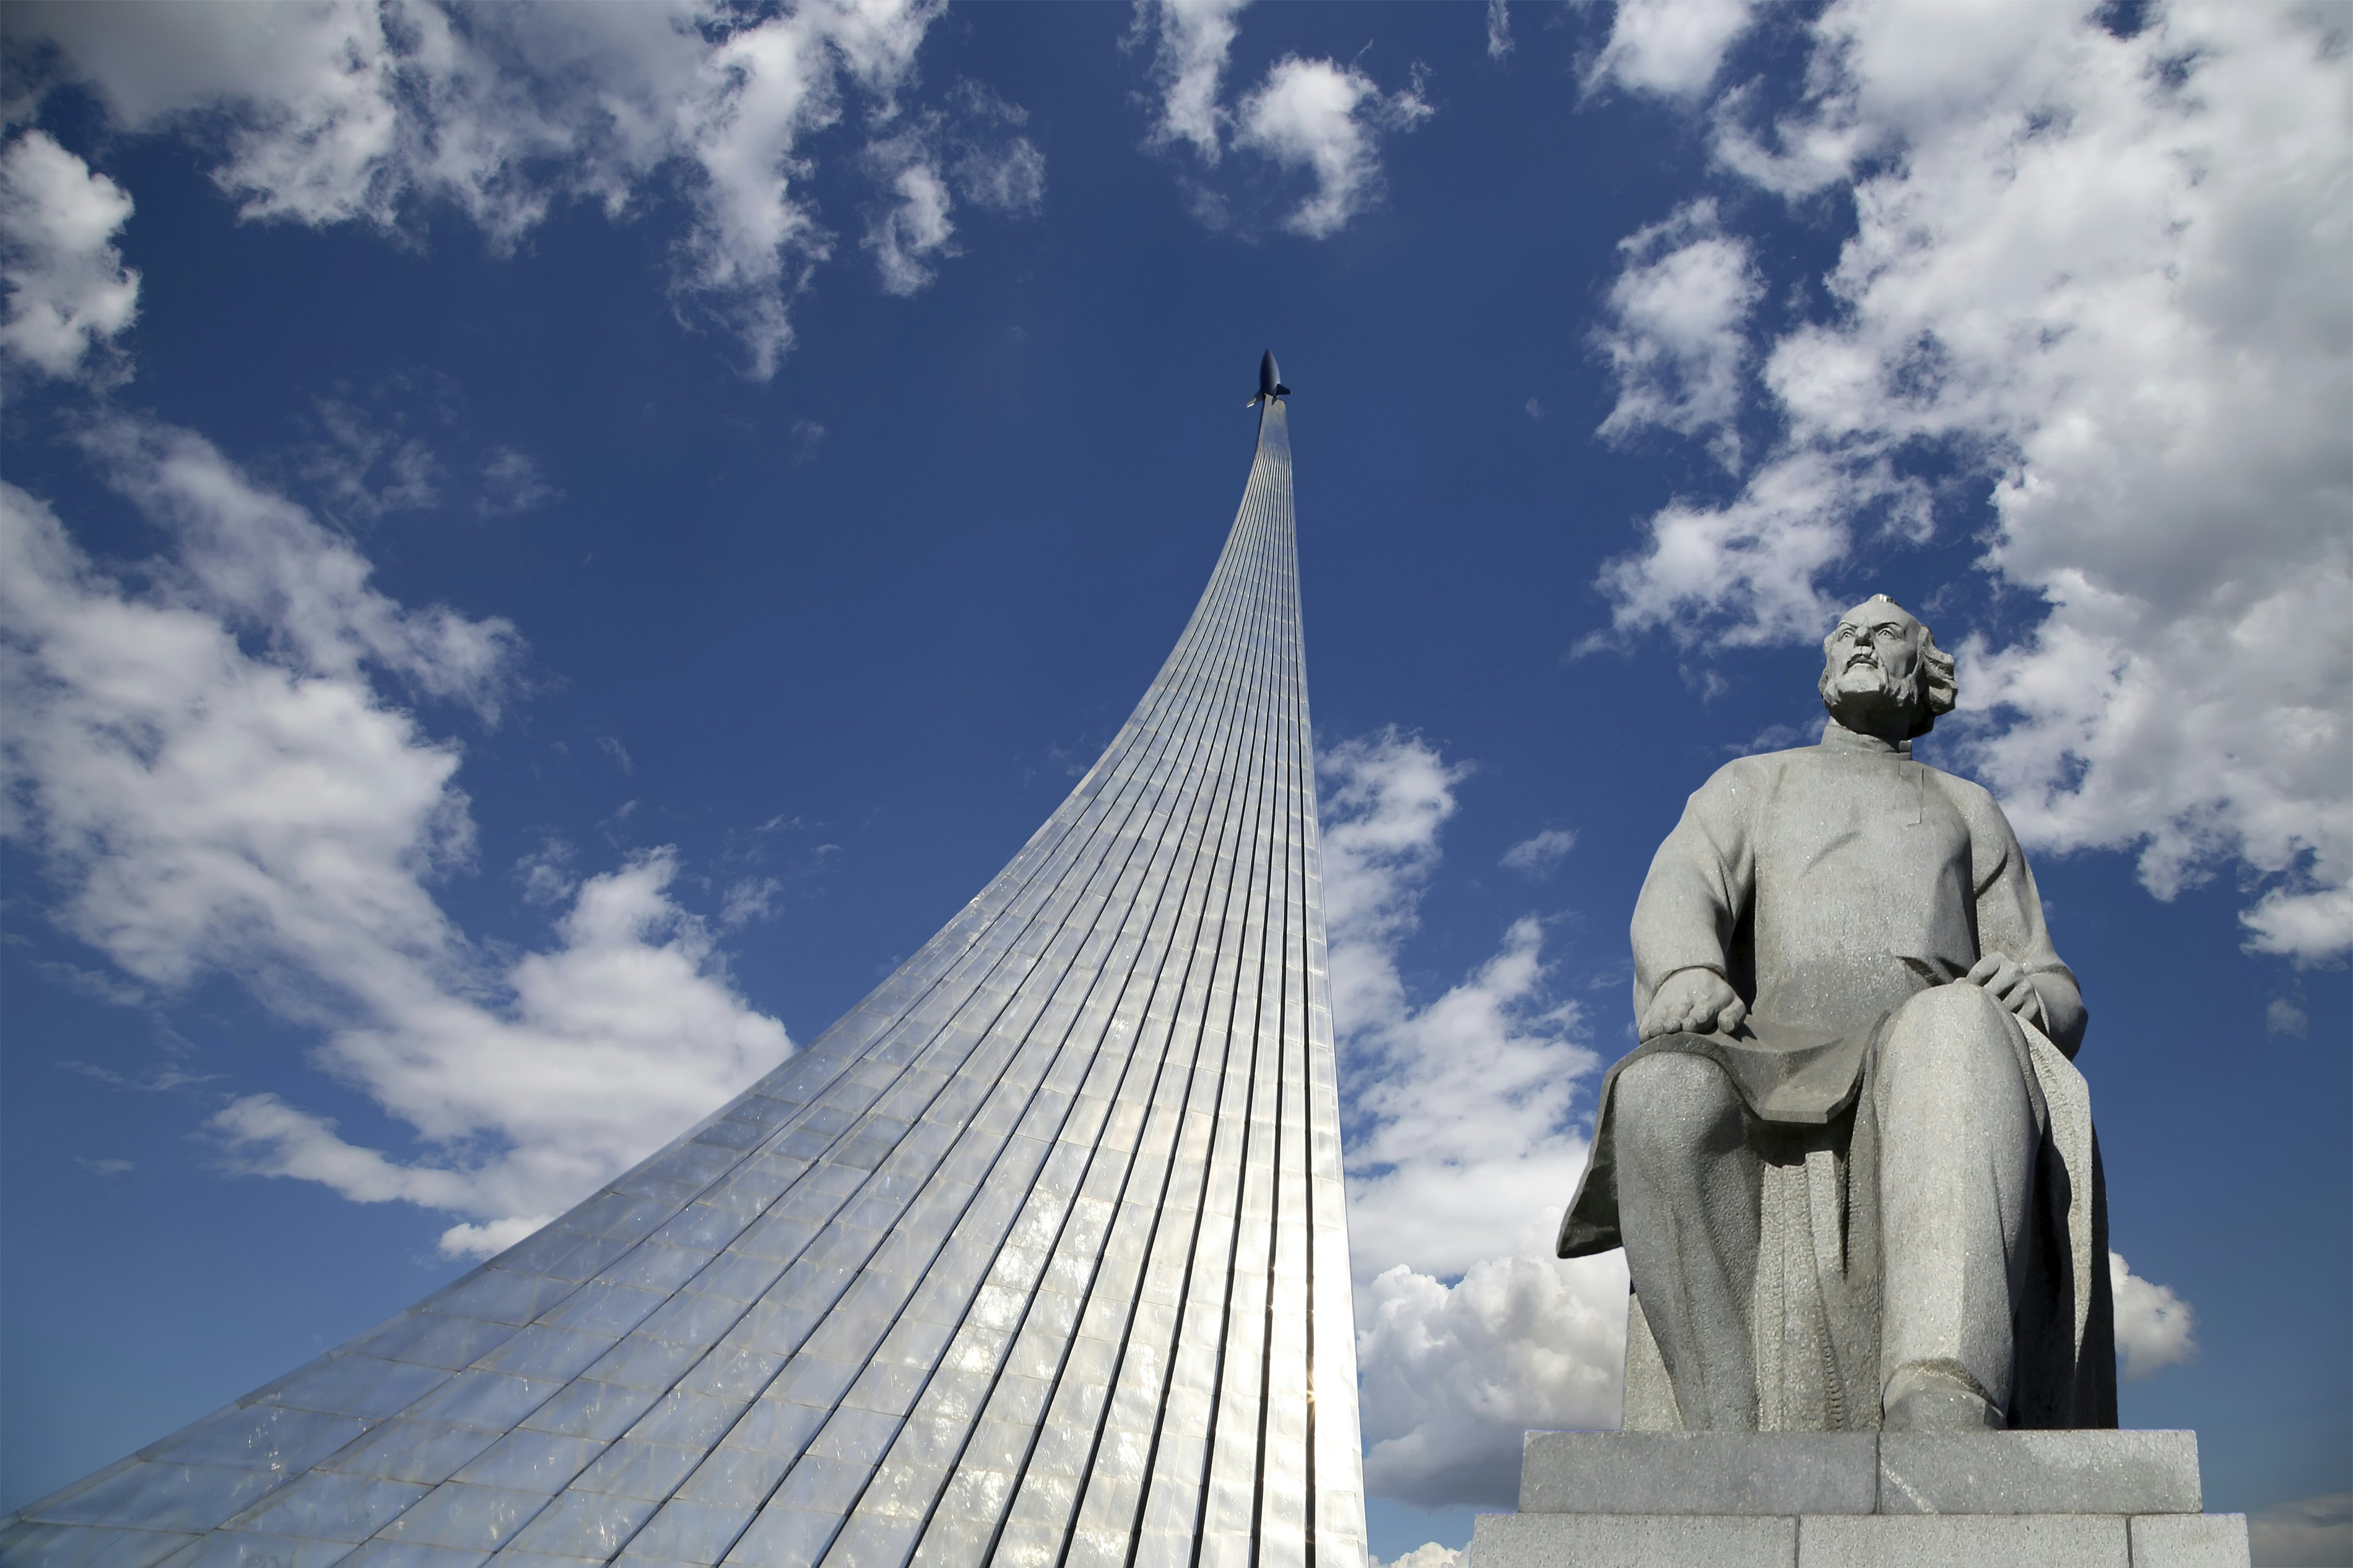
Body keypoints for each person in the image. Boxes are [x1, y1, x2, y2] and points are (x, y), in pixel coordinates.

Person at [1559, 595, 2116, 1434]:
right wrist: (1685, 970)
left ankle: (1942, 1390)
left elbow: (2053, 981)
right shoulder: (1754, 783)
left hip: (1920, 1042)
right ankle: (1722, 1436)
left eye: (1886, 631)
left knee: (1955, 1024)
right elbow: (1681, 887)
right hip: (1767, 1047)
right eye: (1846, 630)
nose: (1860, 638)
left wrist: (2028, 995)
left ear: (1923, 673)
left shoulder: (1967, 808)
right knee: (1659, 1093)